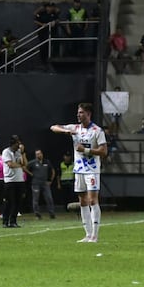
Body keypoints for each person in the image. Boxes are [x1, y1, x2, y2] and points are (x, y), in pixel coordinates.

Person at [51, 103, 108, 242]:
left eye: (81, 112)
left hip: (92, 170)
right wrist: (66, 132)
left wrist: (86, 150)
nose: (78, 114)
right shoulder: (74, 128)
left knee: (93, 200)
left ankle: (95, 235)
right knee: (82, 201)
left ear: (88, 114)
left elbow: (104, 151)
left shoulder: (97, 131)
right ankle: (87, 234)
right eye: (78, 112)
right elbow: (53, 127)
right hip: (79, 170)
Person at [1, 135, 27, 228]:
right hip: (10, 180)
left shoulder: (19, 152)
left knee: (18, 201)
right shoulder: (6, 152)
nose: (19, 145)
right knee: (9, 202)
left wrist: (23, 153)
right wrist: (20, 165)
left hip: (19, 179)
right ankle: (5, 221)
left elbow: (25, 163)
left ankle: (13, 221)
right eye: (17, 143)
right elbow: (10, 164)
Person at [26, 149, 56, 220]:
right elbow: (25, 167)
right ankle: (37, 214)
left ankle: (52, 213)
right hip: (35, 183)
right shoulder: (33, 162)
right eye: (37, 154)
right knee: (35, 199)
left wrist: (50, 180)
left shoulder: (47, 162)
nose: (38, 155)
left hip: (45, 183)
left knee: (49, 198)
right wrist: (31, 174)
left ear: (42, 154)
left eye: (39, 154)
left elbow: (52, 170)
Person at [34, 3, 60, 68]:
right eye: (48, 7)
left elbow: (58, 19)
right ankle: (44, 62)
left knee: (53, 47)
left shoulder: (54, 13)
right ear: (46, 7)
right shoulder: (42, 13)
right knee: (43, 48)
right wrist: (42, 24)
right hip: (42, 34)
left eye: (51, 7)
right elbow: (35, 20)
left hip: (52, 34)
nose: (49, 8)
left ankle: (52, 62)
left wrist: (54, 22)